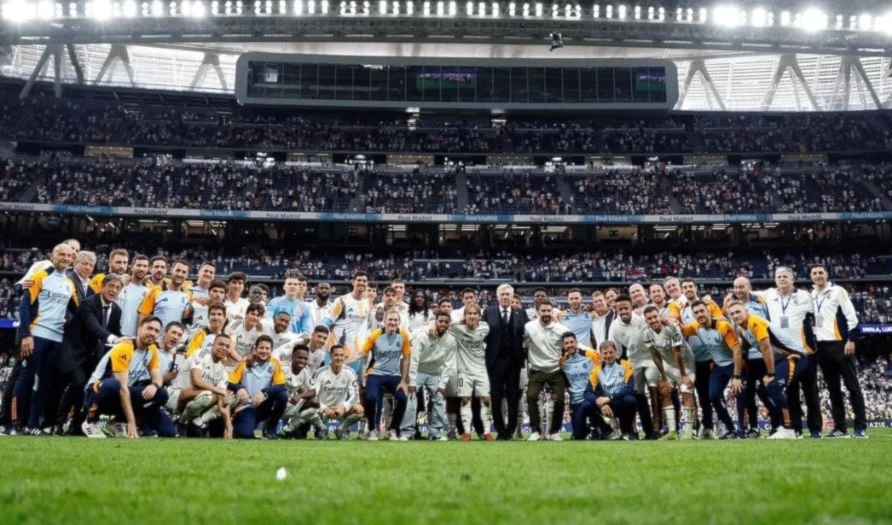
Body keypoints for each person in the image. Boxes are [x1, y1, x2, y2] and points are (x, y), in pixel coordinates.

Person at [14, 243, 79, 434]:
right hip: (37, 334)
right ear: (52, 255)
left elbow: (78, 310)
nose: (66, 258)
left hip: (56, 339)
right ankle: (15, 423)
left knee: (43, 382)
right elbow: (25, 306)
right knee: (25, 379)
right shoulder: (40, 276)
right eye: (62, 254)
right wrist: (26, 334)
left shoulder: (69, 283)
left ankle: (33, 425)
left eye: (69, 255)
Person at [51, 274, 125, 435]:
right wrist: (113, 338)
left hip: (93, 357)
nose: (114, 290)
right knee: (77, 384)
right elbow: (94, 327)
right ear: (102, 287)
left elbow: (114, 331)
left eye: (118, 288)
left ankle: (77, 426)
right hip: (73, 353)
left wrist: (126, 339)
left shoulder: (117, 310)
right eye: (111, 286)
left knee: (87, 389)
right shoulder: (88, 304)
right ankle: (58, 422)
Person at [81, 316, 175, 439]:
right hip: (96, 392)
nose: (152, 333)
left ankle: (117, 422)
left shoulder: (152, 350)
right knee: (114, 385)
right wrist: (132, 421)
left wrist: (154, 385)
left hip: (122, 395)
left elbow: (158, 378)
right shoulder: (125, 348)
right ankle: (90, 421)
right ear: (139, 330)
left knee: (161, 394)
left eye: (156, 331)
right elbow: (123, 389)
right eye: (149, 328)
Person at [725, 301, 807, 440]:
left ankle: (789, 429)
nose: (735, 315)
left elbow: (766, 348)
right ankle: (780, 425)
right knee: (763, 391)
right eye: (732, 314)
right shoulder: (744, 329)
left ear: (746, 311)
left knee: (774, 386)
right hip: (782, 359)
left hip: (794, 356)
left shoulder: (754, 322)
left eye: (738, 311)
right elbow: (742, 348)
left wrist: (770, 374)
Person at [810, 265, 866, 439]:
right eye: (814, 273)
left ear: (826, 275)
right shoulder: (812, 295)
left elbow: (851, 316)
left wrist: (851, 339)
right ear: (811, 276)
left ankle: (860, 428)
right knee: (833, 390)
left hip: (841, 344)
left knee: (852, 386)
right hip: (822, 347)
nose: (818, 276)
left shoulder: (837, 291)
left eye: (821, 273)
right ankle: (840, 428)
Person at [681, 301, 744, 440]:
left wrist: (737, 375)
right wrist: (670, 321)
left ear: (709, 311)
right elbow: (683, 329)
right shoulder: (696, 326)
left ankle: (744, 429)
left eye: (702, 311)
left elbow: (737, 350)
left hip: (734, 364)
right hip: (718, 366)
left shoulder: (723, 326)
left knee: (741, 394)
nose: (700, 314)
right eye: (696, 312)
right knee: (713, 396)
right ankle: (731, 429)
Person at [724, 276, 776, 438]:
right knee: (746, 394)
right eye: (736, 287)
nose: (738, 290)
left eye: (742, 287)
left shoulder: (761, 302)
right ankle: (751, 428)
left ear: (749, 287)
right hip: (745, 357)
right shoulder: (729, 307)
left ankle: (778, 424)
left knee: (767, 392)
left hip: (762, 355)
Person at [483, 283, 529, 440]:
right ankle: (500, 430)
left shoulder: (521, 313)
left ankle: (510, 430)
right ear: (497, 297)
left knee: (513, 397)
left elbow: (530, 333)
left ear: (512, 296)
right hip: (494, 363)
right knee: (495, 398)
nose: (504, 297)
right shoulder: (488, 312)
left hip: (515, 363)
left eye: (507, 294)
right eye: (502, 294)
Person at [642, 306, 696, 440]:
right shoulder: (646, 333)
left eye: (655, 316)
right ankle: (672, 432)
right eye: (649, 318)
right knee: (664, 391)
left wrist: (683, 375)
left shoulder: (672, 328)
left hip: (685, 363)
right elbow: (655, 355)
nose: (653, 320)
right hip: (668, 365)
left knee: (686, 391)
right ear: (646, 320)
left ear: (660, 316)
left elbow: (677, 352)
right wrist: (664, 377)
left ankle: (688, 431)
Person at [607, 295, 657, 439]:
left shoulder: (642, 320)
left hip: (651, 358)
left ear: (631, 308)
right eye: (620, 309)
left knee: (655, 391)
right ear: (616, 309)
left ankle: (657, 428)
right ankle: (641, 431)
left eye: (625, 308)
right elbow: (615, 352)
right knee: (637, 396)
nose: (623, 311)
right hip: (634, 361)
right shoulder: (614, 327)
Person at [404, 311, 457, 441]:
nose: (443, 324)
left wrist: (443, 384)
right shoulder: (423, 336)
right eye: (440, 321)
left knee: (438, 399)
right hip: (418, 371)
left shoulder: (451, 340)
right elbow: (414, 359)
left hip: (436, 372)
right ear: (435, 322)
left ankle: (435, 433)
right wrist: (411, 381)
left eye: (446, 322)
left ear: (449, 324)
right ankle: (407, 432)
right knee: (411, 398)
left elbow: (449, 363)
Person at [361, 310, 411, 440]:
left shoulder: (404, 335)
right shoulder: (375, 335)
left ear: (399, 322)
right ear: (384, 321)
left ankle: (393, 430)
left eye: (395, 320)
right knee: (371, 398)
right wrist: (361, 374)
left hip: (394, 375)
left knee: (403, 398)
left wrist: (403, 381)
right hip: (375, 373)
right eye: (390, 320)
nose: (393, 322)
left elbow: (406, 358)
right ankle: (372, 429)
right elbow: (363, 354)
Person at [226, 335, 288, 439]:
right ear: (255, 349)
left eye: (267, 348)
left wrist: (265, 392)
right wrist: (238, 388)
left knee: (283, 396)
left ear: (271, 350)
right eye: (261, 348)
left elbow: (281, 386)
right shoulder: (245, 362)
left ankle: (270, 428)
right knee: (245, 435)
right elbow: (229, 382)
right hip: (247, 405)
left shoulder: (274, 362)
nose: (264, 351)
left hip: (264, 405)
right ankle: (245, 425)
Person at [524, 301, 569, 441]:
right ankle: (536, 431)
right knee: (531, 397)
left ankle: (554, 432)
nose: (546, 313)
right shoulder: (529, 327)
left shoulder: (561, 329)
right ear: (538, 312)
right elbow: (522, 342)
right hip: (537, 369)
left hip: (555, 370)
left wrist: (564, 358)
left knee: (560, 400)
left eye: (549, 311)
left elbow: (570, 346)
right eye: (543, 311)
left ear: (552, 311)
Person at [448, 304, 494, 441]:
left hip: (480, 370)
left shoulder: (485, 328)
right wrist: (461, 321)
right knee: (465, 400)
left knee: (486, 400)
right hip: (463, 371)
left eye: (475, 314)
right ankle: (467, 432)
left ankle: (487, 432)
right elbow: (448, 326)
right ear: (465, 316)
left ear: (479, 316)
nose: (472, 316)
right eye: (469, 314)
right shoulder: (457, 329)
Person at [175, 334, 234, 438]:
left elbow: (223, 401)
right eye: (221, 344)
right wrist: (219, 391)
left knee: (231, 397)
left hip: (197, 401)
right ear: (213, 345)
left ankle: (199, 421)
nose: (224, 348)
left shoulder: (223, 371)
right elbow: (196, 381)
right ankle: (181, 421)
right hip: (178, 394)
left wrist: (228, 426)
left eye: (227, 347)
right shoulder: (202, 353)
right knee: (208, 395)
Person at [325, 270, 375, 376]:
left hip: (354, 353)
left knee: (349, 381)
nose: (361, 283)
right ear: (353, 282)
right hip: (336, 349)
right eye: (359, 280)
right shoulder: (342, 301)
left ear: (367, 284)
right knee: (331, 381)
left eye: (364, 281)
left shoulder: (366, 304)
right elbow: (327, 322)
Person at [586, 341, 636, 440]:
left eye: (611, 352)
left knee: (630, 400)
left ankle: (626, 431)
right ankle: (607, 430)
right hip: (606, 405)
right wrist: (601, 403)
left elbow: (630, 389)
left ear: (616, 352)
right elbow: (587, 392)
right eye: (605, 353)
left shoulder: (625, 365)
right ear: (600, 355)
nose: (608, 356)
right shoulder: (596, 370)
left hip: (620, 402)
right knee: (586, 405)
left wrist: (609, 398)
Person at [312, 345, 364, 440]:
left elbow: (355, 396)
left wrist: (344, 406)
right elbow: (312, 396)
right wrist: (324, 408)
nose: (339, 358)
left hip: (340, 410)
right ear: (330, 356)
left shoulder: (350, 372)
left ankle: (341, 429)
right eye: (336, 355)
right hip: (323, 410)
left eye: (341, 355)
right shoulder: (320, 372)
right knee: (310, 409)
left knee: (359, 410)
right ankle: (321, 429)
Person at [559, 332, 600, 440]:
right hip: (575, 402)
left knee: (586, 405)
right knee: (578, 436)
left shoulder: (590, 356)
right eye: (566, 343)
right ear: (563, 346)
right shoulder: (563, 362)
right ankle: (588, 429)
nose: (569, 345)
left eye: (572, 342)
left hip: (590, 398)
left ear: (576, 342)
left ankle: (603, 428)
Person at [280, 345, 323, 438]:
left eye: (305, 358)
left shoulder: (305, 372)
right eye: (299, 357)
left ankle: (288, 429)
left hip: (290, 405)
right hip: (275, 405)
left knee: (314, 402)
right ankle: (269, 428)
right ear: (292, 357)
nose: (302, 361)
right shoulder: (283, 368)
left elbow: (313, 391)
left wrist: (300, 396)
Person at [138, 259, 193, 329]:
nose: (180, 274)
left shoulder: (188, 294)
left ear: (187, 275)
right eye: (177, 270)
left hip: (176, 338)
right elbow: (143, 315)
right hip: (155, 338)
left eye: (184, 272)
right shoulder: (155, 291)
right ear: (171, 271)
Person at [117, 254, 150, 338]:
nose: (141, 268)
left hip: (136, 337)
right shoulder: (121, 285)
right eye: (138, 265)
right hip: (117, 334)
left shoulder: (148, 292)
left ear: (148, 269)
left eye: (144, 266)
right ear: (132, 267)